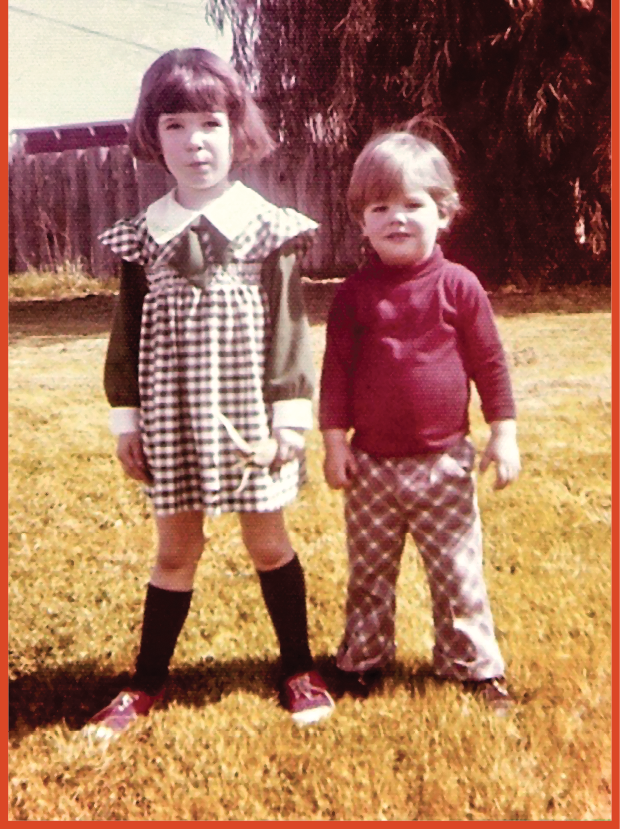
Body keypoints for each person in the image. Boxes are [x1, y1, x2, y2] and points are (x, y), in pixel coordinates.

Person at [84, 48, 334, 738]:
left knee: (267, 542)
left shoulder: (269, 228)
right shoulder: (142, 238)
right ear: (152, 135)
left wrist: (289, 418)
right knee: (173, 552)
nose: (195, 142)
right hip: (170, 417)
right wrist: (125, 420)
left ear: (236, 130)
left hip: (252, 423)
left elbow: (289, 328)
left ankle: (297, 666)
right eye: (175, 126)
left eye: (209, 123)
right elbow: (125, 335)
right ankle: (145, 682)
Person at [319, 123, 521, 715]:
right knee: (369, 574)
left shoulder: (459, 286)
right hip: (371, 469)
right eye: (381, 207)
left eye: (414, 204)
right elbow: (334, 375)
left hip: (444, 464)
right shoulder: (354, 294)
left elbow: (491, 365)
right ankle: (362, 662)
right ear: (362, 220)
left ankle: (473, 668)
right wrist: (335, 445)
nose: (397, 218)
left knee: (457, 573)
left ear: (444, 213)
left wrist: (502, 434)